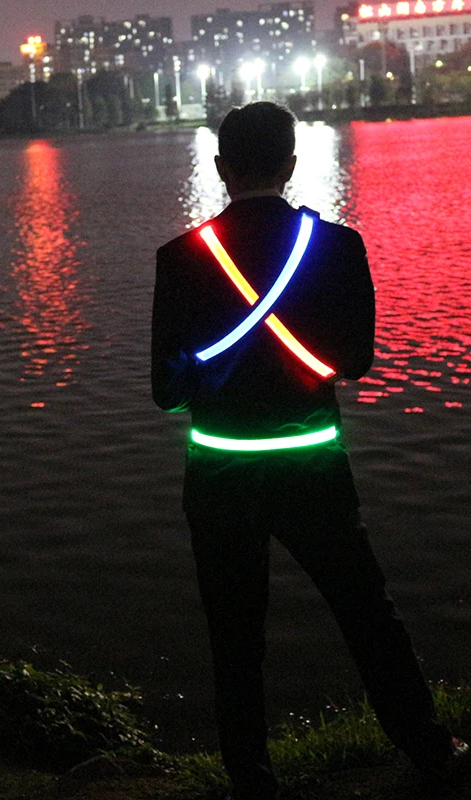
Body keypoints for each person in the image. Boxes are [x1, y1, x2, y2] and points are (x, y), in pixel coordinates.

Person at [151, 102, 466, 800]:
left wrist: (214, 368)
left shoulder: (178, 259)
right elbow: (356, 363)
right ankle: (430, 747)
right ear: (291, 166)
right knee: (365, 611)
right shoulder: (338, 247)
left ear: (222, 168)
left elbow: (166, 393)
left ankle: (252, 781)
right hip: (312, 464)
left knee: (235, 638)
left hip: (219, 472)